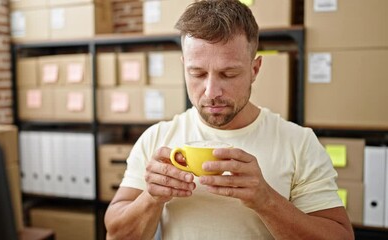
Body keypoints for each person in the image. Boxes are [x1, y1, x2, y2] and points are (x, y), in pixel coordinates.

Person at [104, 0, 354, 239]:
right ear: (184, 67)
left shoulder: (299, 143)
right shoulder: (157, 139)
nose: (211, 92)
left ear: (254, 69)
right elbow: (116, 234)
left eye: (228, 73)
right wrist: (151, 197)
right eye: (198, 73)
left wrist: (266, 200)